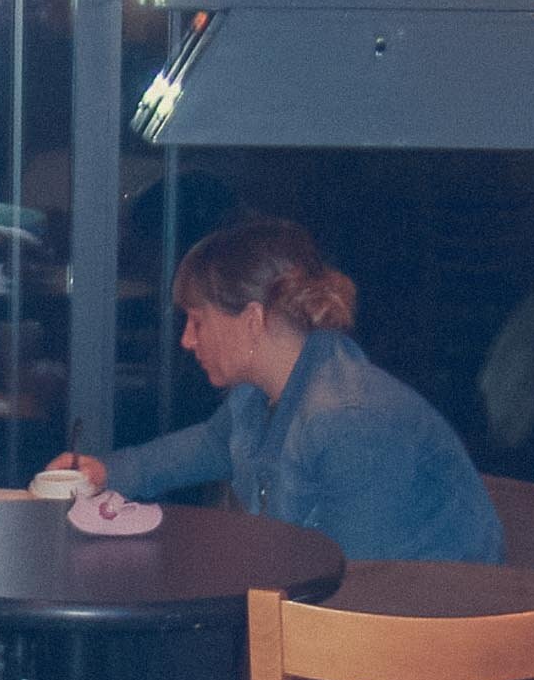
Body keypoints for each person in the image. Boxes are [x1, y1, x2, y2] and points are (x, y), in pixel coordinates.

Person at [51, 216, 505, 564]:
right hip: (364, 634)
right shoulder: (259, 395)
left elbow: (359, 584)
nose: (187, 340)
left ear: (252, 321)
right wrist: (104, 474)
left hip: (432, 652)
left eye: (198, 320)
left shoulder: (350, 420)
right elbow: (211, 445)